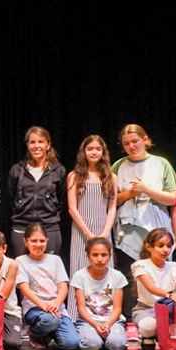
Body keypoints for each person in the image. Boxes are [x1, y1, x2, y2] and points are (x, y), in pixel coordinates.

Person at [113, 123, 176, 308]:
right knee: (130, 273)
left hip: (155, 225)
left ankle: (164, 313)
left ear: (145, 140)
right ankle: (131, 316)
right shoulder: (118, 166)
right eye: (126, 144)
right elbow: (111, 200)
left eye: (135, 141)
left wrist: (146, 190)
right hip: (128, 228)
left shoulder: (161, 163)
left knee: (159, 272)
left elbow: (172, 198)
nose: (131, 146)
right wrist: (130, 194)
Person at [65, 135, 117, 315]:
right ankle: (75, 316)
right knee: (80, 270)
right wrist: (89, 235)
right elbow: (72, 208)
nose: (94, 152)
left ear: (103, 152)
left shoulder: (111, 177)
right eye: (90, 149)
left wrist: (104, 233)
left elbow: (112, 208)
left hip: (103, 232)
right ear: (83, 152)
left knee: (104, 271)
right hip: (81, 233)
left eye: (98, 149)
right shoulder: (74, 176)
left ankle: (105, 314)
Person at [15, 223, 80, 350]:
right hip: (35, 308)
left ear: (47, 241)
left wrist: (56, 304)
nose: (38, 244)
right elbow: (25, 289)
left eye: (42, 241)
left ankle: (49, 333)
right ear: (25, 241)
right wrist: (43, 305)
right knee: (50, 321)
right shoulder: (21, 260)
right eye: (34, 241)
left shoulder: (55, 260)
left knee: (71, 343)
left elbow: (63, 286)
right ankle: (36, 333)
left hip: (56, 309)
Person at [7, 126, 67, 258]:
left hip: (49, 226)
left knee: (50, 269)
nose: (36, 146)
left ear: (48, 144)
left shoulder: (58, 170)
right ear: (27, 145)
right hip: (22, 225)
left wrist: (50, 214)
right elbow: (11, 198)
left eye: (40, 141)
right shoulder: (17, 170)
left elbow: (62, 200)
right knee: (21, 270)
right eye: (32, 142)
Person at [130, 228, 176, 349]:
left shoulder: (174, 267)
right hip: (146, 310)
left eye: (169, 246)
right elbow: (151, 287)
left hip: (168, 310)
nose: (166, 250)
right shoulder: (141, 266)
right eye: (161, 246)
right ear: (149, 247)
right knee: (149, 325)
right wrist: (170, 295)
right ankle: (148, 337)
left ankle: (163, 336)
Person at [70, 237, 129, 350]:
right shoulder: (79, 276)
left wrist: (107, 324)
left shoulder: (117, 276)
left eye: (104, 255)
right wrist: (95, 324)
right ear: (88, 256)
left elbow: (117, 308)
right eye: (95, 255)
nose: (100, 259)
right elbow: (81, 307)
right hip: (88, 321)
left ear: (109, 256)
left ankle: (108, 339)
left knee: (117, 345)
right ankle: (98, 339)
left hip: (112, 321)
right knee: (92, 345)